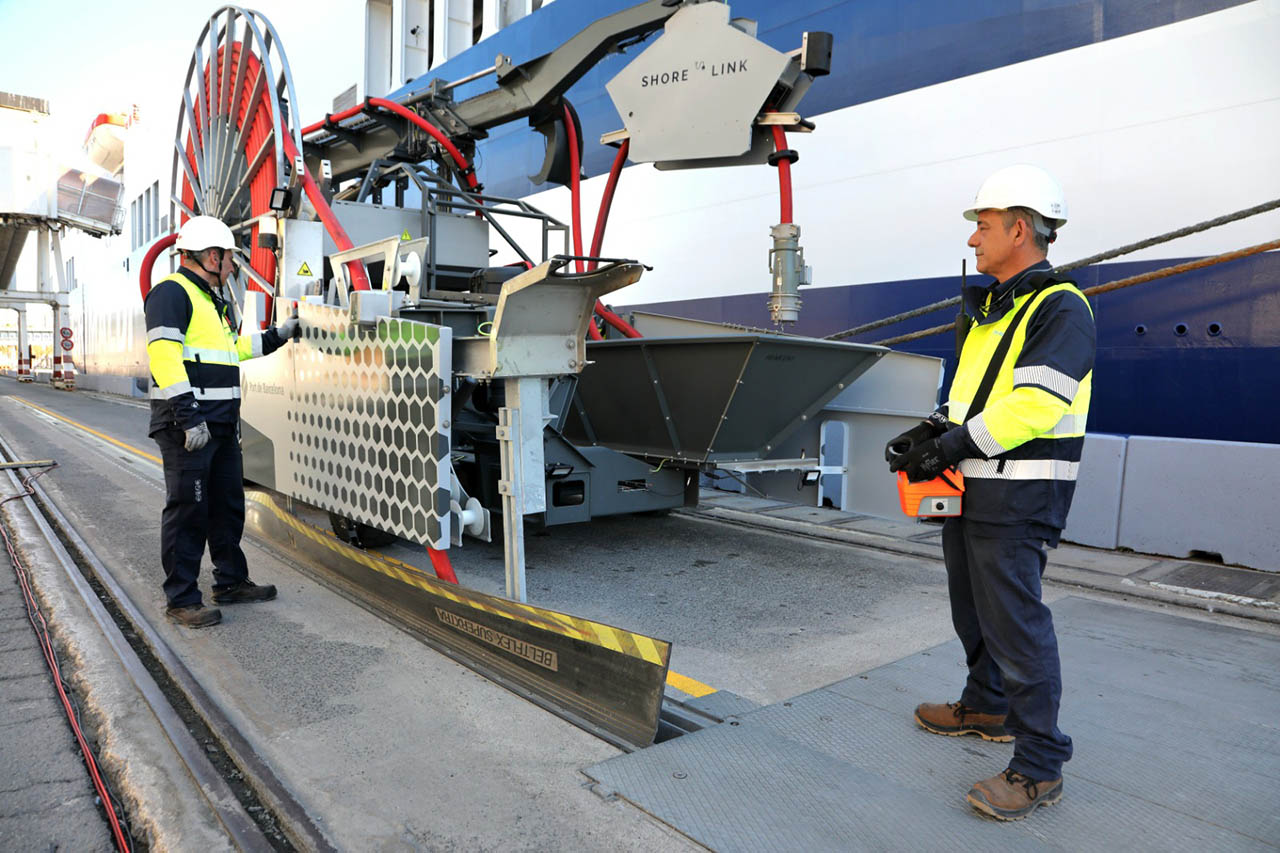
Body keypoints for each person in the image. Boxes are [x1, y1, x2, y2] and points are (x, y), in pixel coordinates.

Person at [886, 164, 1095, 820]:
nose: (974, 238)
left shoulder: (1060, 307)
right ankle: (985, 704)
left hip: (1023, 493)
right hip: (975, 486)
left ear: (1020, 228)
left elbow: (1034, 404)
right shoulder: (989, 309)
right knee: (971, 604)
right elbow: (968, 400)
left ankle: (1039, 765)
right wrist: (929, 436)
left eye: (982, 225)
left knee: (1016, 621)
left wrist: (952, 446)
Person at [144, 215, 300, 628]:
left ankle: (230, 582)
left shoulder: (211, 301)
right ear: (212, 256)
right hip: (187, 427)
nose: (232, 265)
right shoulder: (171, 293)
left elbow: (232, 350)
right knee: (188, 510)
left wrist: (277, 336)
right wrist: (189, 417)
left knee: (228, 507)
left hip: (220, 426)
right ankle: (181, 599)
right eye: (230, 257)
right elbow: (164, 356)